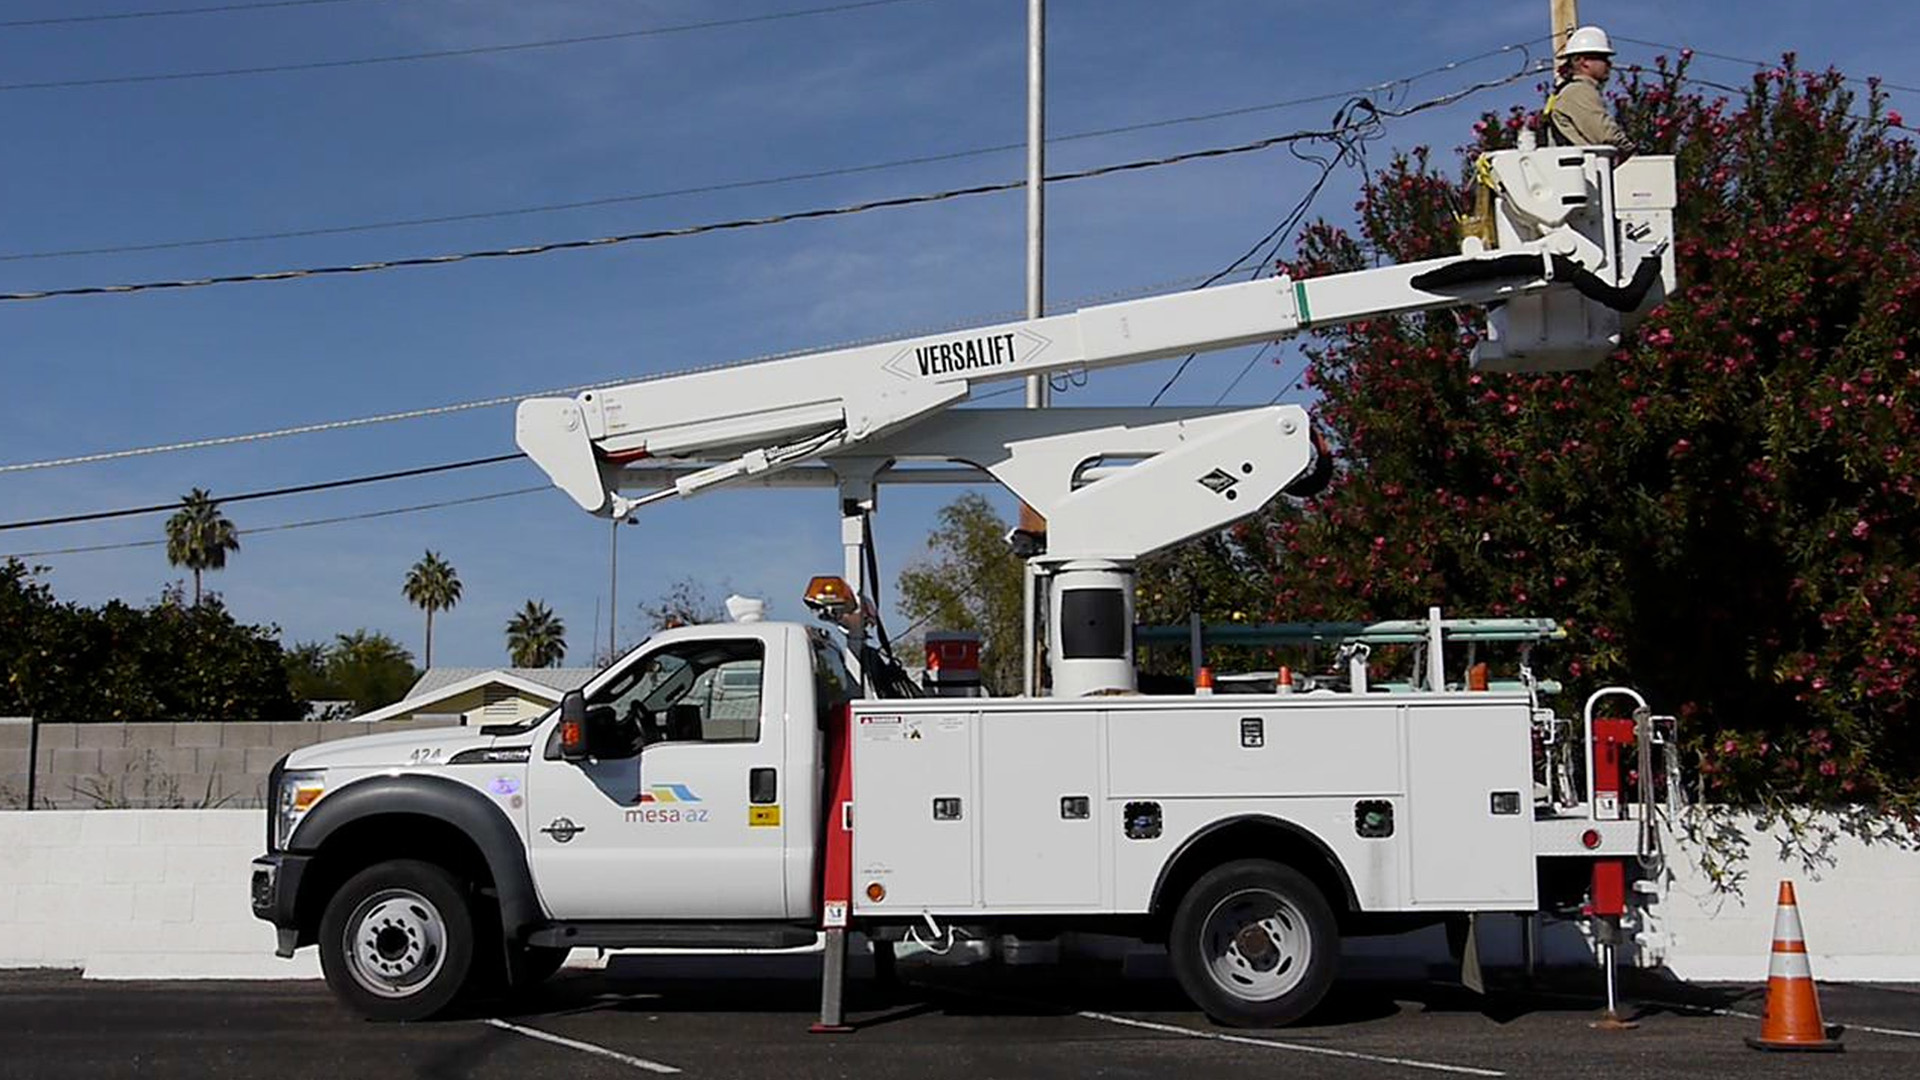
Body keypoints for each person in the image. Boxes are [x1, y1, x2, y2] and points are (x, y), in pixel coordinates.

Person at [1545, 26, 1635, 158]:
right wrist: (1632, 151)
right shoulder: (1579, 91)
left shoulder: (1573, 90)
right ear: (1584, 62)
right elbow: (1605, 134)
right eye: (1603, 58)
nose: (1609, 64)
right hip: (1584, 170)